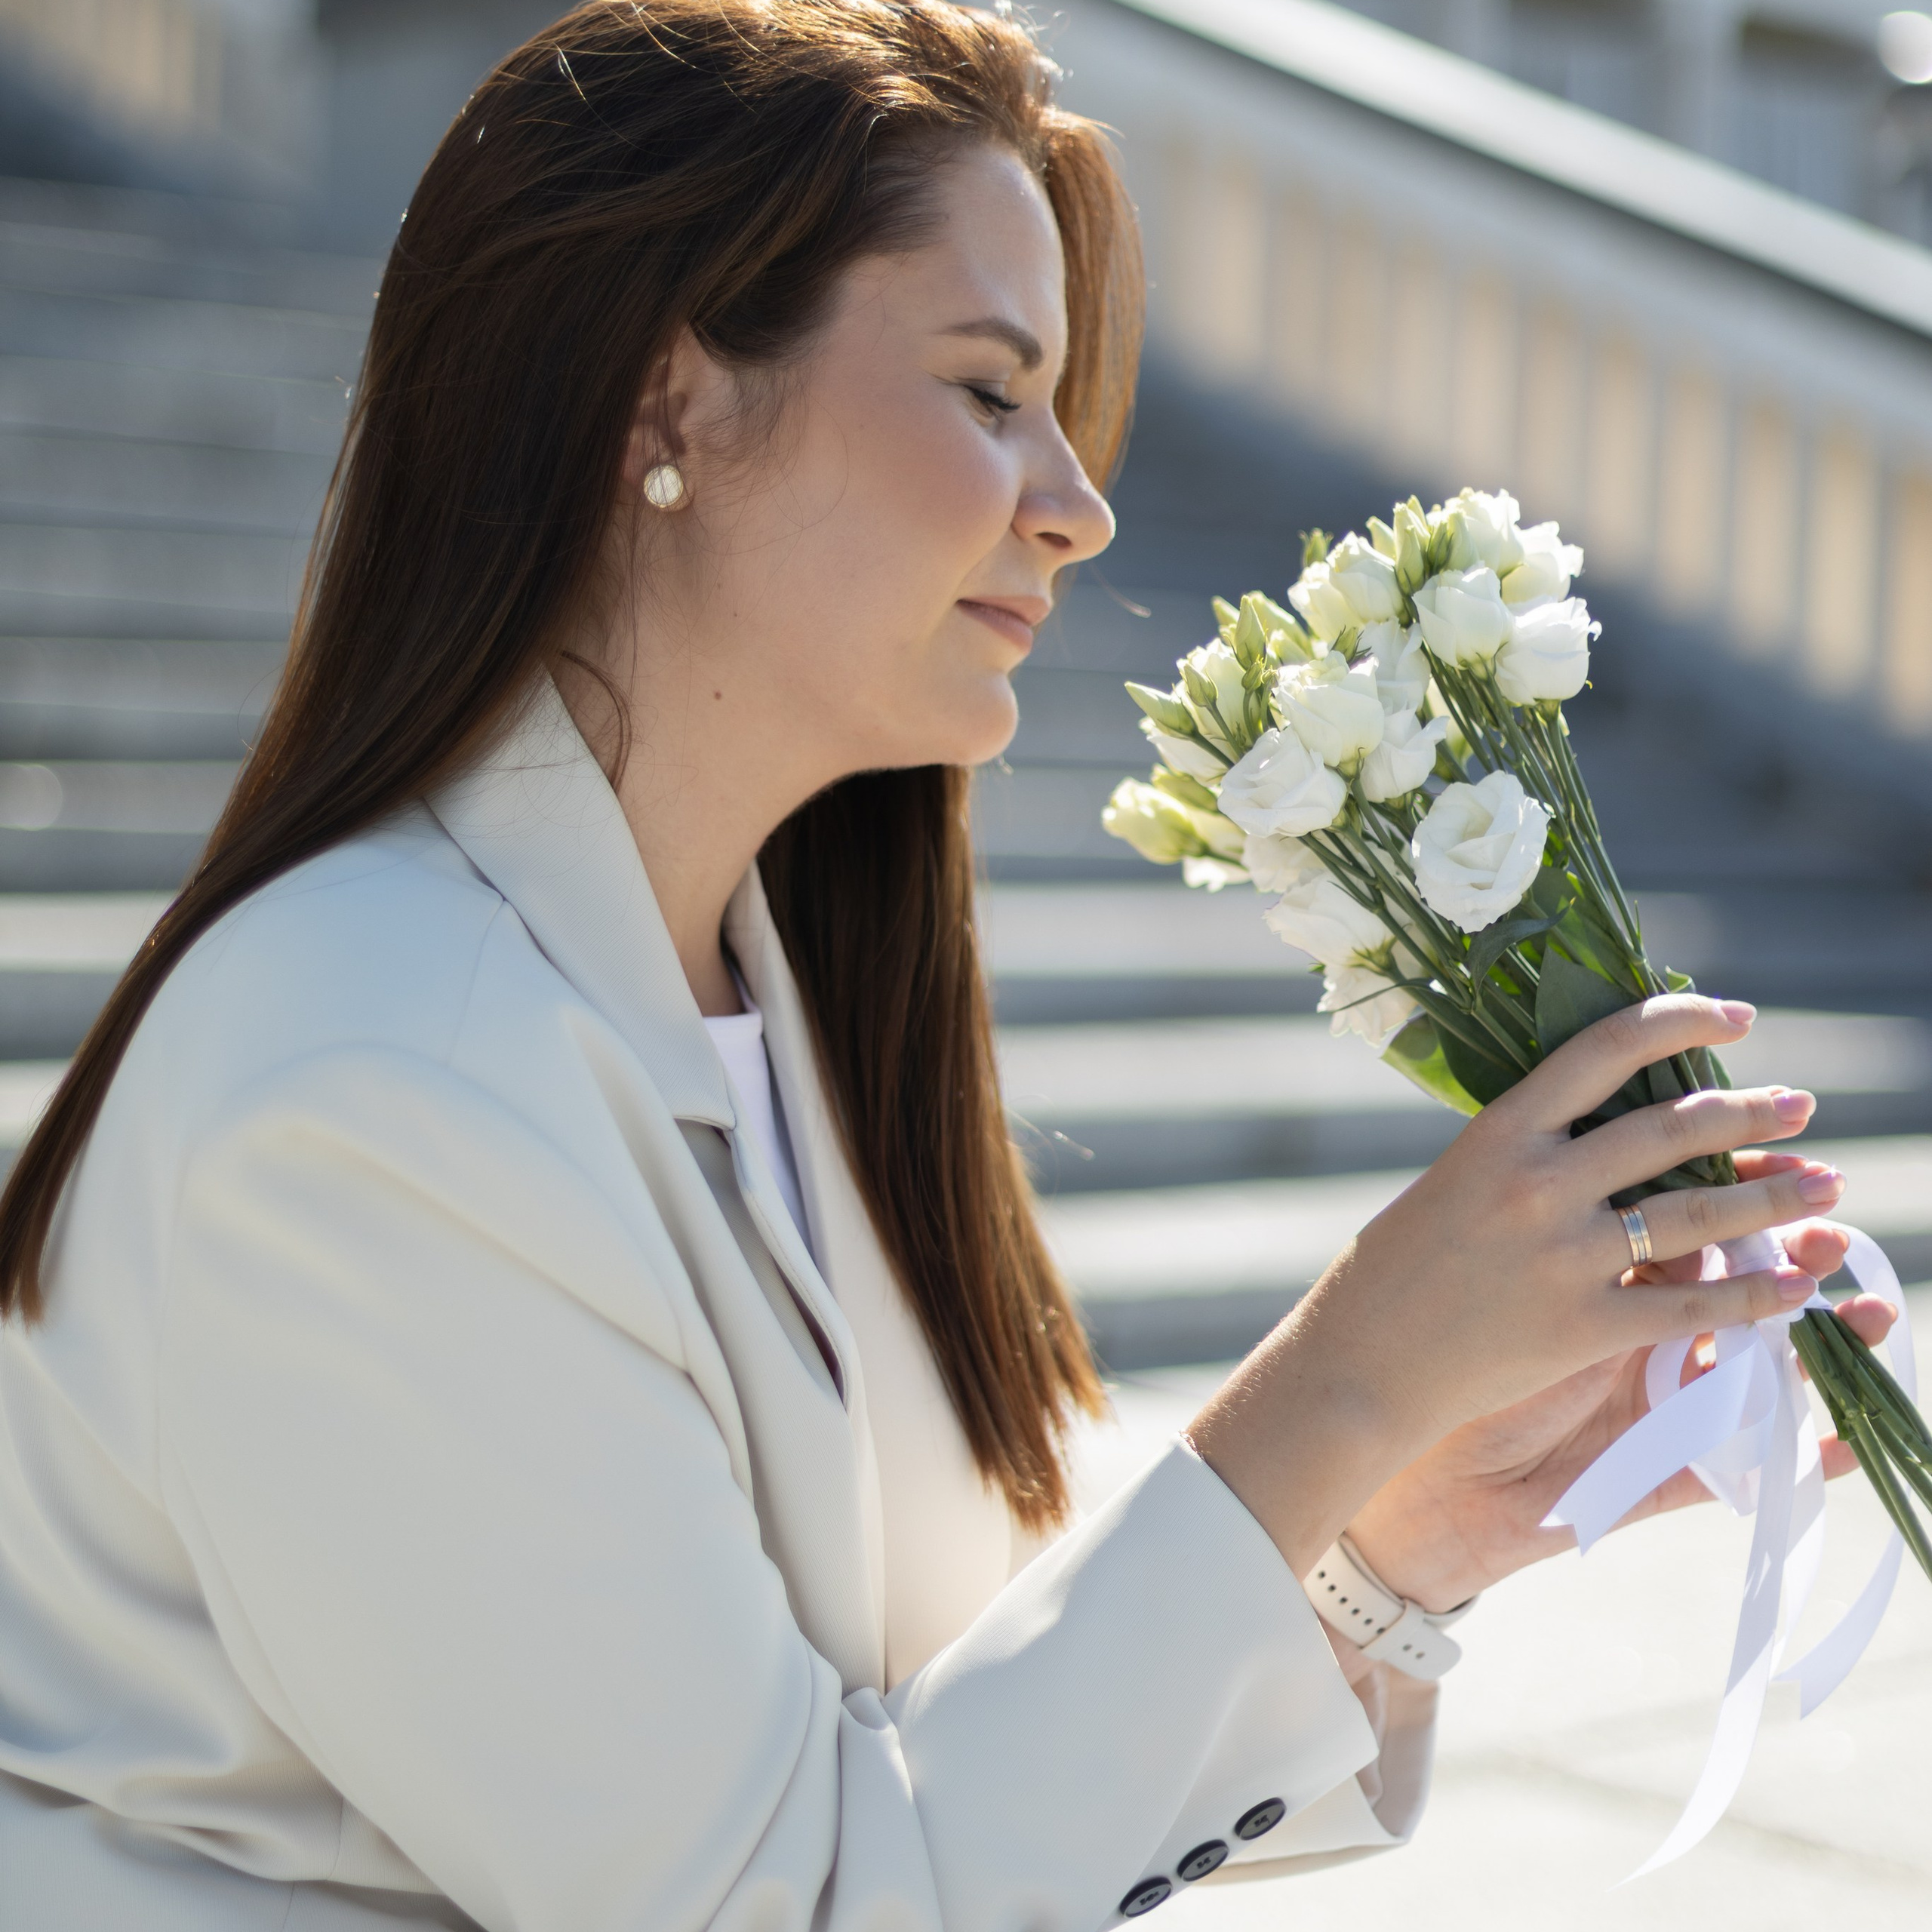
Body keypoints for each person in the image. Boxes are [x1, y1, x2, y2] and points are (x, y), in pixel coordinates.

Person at [0, 5, 1888, 1928]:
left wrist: (1394, 1527)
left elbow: (929, 1758)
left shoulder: (765, 1007)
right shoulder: (371, 1089)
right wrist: (1343, 1377)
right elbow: (789, 1898)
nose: (1078, 505)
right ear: (668, 406)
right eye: (989, 393)